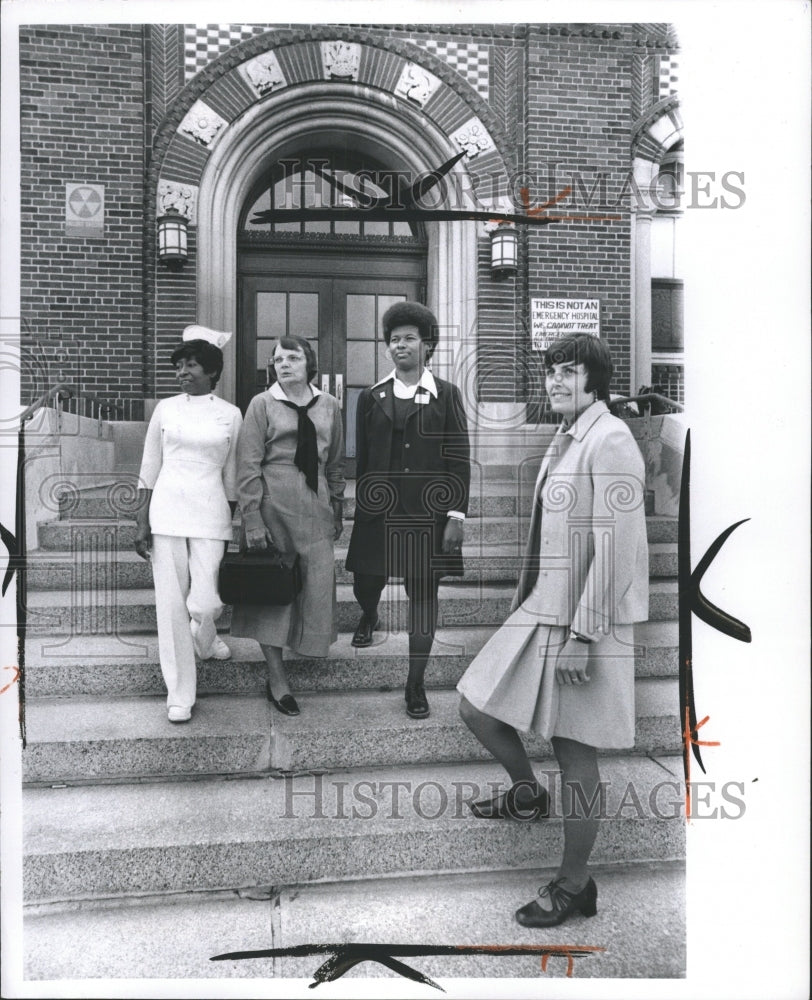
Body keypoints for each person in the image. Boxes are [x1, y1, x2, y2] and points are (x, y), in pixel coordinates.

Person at [457, 333, 649, 928]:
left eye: (570, 372)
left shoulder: (611, 438)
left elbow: (620, 547)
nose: (556, 382)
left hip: (588, 620)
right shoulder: (567, 437)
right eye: (551, 373)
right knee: (475, 707)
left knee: (574, 751)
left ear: (597, 380)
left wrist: (585, 635)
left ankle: (574, 885)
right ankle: (526, 794)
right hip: (545, 606)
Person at [346, 301, 471, 719]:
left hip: (426, 517)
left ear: (427, 346)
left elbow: (458, 459)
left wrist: (455, 515)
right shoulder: (371, 397)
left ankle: (415, 683)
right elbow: (363, 459)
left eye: (409, 339)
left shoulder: (446, 395)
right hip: (377, 515)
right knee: (366, 581)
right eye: (394, 340)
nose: (400, 345)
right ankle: (369, 613)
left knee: (422, 598)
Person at [230, 335, 345, 717]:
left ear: (308, 362)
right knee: (273, 589)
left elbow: (335, 462)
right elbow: (247, 464)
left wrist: (338, 506)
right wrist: (251, 518)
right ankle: (277, 678)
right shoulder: (262, 404)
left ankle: (302, 645)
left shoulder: (328, 405)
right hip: (272, 502)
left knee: (314, 584)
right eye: (277, 359)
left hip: (315, 503)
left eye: (292, 357)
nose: (284, 364)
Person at [135, 325, 243, 724]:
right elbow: (149, 466)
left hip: (211, 511)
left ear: (211, 371)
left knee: (206, 601)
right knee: (170, 607)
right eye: (179, 365)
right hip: (166, 509)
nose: (182, 371)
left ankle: (207, 636)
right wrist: (140, 520)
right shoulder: (165, 408)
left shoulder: (231, 413)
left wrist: (236, 517)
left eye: (191, 364)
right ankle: (179, 693)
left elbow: (232, 474)